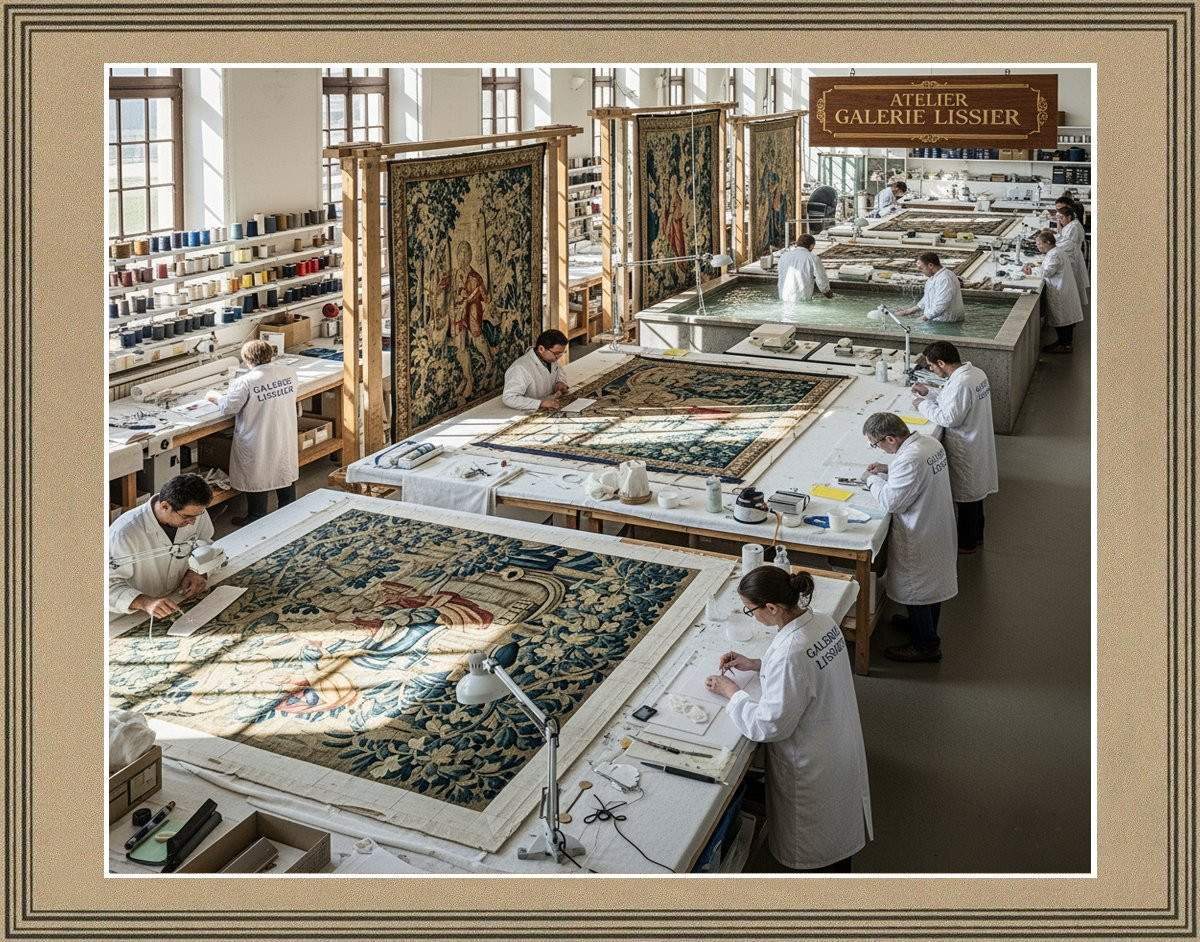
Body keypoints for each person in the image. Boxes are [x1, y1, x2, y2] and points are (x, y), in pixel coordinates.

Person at [704, 565, 872, 872]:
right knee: (836, 833)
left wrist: (731, 692)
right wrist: (757, 663)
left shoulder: (790, 653)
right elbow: (805, 672)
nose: (750, 616)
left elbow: (769, 725)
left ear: (770, 607)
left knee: (817, 851)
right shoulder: (820, 620)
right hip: (836, 744)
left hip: (812, 763)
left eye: (749, 610)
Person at [861, 412, 957, 662]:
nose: (877, 448)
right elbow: (915, 470)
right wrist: (888, 468)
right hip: (936, 524)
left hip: (920, 531)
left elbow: (892, 502)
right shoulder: (928, 443)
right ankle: (920, 626)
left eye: (876, 444)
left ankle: (926, 645)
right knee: (930, 584)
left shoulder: (910, 459)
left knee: (919, 587)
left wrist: (872, 480)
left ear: (891, 439)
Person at [911, 341, 998, 554]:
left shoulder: (962, 383)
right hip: (976, 439)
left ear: (941, 363)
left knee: (967, 497)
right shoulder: (974, 373)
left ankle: (966, 544)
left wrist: (921, 404)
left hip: (965, 445)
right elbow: (953, 400)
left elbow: (949, 417)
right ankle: (976, 535)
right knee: (976, 495)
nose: (930, 369)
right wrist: (929, 392)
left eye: (931, 366)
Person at [206, 338, 299, 525]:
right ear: (271, 355)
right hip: (283, 430)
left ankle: (257, 516)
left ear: (247, 360)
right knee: (284, 468)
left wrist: (214, 396)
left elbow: (228, 407)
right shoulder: (288, 372)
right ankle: (289, 508)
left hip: (258, 436)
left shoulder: (246, 381)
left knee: (258, 473)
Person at [108, 473, 215, 617]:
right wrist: (145, 602)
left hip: (177, 597)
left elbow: (205, 543)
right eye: (187, 517)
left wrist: (197, 571)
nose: (193, 522)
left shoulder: (194, 512)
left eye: (198, 515)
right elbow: (106, 586)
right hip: (135, 612)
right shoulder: (124, 533)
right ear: (164, 506)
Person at [1025, 229, 1083, 353]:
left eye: (1040, 243)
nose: (1038, 246)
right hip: (1061, 288)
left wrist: (1031, 271)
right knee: (1063, 318)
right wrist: (1036, 267)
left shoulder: (1055, 254)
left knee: (1063, 319)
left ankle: (1065, 345)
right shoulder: (1054, 252)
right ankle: (1062, 342)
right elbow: (1047, 267)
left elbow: (1048, 272)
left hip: (1060, 290)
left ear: (1048, 242)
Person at [501, 329, 569, 410]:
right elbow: (509, 398)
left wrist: (560, 382)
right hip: (525, 411)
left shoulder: (550, 358)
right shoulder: (520, 368)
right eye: (557, 353)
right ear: (541, 349)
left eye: (562, 353)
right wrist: (541, 403)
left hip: (549, 401)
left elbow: (559, 371)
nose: (559, 357)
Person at [895, 252, 964, 322]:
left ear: (930, 265)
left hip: (946, 323)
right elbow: (927, 298)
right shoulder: (933, 277)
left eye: (921, 268)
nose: (922, 272)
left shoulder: (945, 279)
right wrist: (907, 312)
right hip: (936, 320)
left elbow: (942, 304)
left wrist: (921, 320)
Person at [777, 233, 834, 303]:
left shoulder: (783, 256)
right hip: (802, 300)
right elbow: (822, 281)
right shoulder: (813, 258)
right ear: (812, 246)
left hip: (784, 297)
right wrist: (830, 296)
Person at [1053, 205, 1090, 314]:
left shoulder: (1074, 226)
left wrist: (1052, 246)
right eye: (1059, 218)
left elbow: (1068, 243)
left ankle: (1072, 308)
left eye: (1062, 218)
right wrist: (1053, 237)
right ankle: (1073, 306)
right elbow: (1063, 238)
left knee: (1073, 284)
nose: (1060, 220)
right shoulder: (1070, 224)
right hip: (1070, 255)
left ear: (1069, 217)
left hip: (1072, 257)